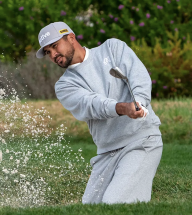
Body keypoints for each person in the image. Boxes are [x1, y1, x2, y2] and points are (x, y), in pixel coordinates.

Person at [36, 21, 163, 204]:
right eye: (48, 52)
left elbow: (139, 76)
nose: (53, 55)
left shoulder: (112, 48)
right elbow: (92, 105)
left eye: (55, 46)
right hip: (106, 153)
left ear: (71, 37)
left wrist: (139, 103)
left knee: (114, 204)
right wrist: (122, 108)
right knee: (91, 207)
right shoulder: (64, 86)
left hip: (141, 140)